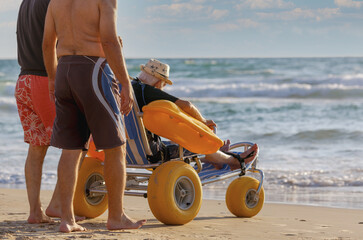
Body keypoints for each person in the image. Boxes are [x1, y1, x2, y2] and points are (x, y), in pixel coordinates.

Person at [42, 0, 146, 233]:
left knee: (71, 149)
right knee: (115, 147)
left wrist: (52, 77)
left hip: (64, 71)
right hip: (93, 70)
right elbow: (109, 40)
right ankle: (116, 217)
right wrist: (126, 81)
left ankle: (67, 219)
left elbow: (48, 43)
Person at [132, 59, 259, 170]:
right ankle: (234, 161)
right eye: (164, 84)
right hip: (152, 155)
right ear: (159, 83)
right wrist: (203, 121)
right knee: (193, 144)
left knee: (177, 143)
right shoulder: (147, 91)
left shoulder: (128, 88)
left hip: (127, 152)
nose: (163, 88)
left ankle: (217, 157)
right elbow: (187, 105)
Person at [15, 0, 55, 224]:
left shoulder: (25, 3)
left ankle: (35, 211)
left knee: (37, 147)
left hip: (24, 79)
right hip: (45, 78)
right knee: (77, 143)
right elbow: (53, 42)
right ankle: (58, 204)